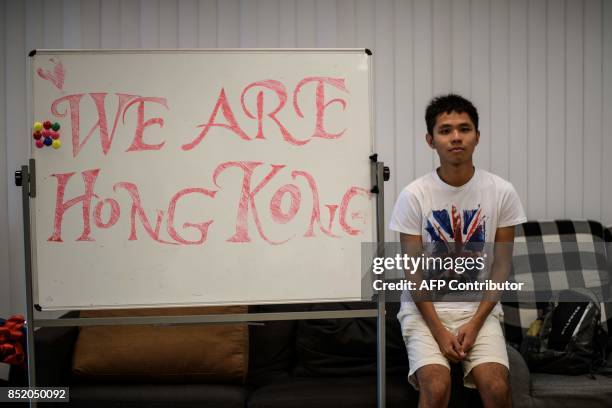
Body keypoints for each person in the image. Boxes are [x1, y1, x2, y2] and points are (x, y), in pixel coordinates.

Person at [389, 94, 526, 408]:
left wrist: (475, 323)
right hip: (426, 314)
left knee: (496, 388)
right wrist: (438, 330)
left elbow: (501, 268)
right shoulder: (414, 195)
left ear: (477, 136)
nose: (455, 137)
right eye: (445, 130)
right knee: (436, 388)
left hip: (479, 310)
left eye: (464, 129)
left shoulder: (501, 191)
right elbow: (413, 273)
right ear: (430, 140)